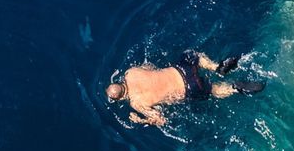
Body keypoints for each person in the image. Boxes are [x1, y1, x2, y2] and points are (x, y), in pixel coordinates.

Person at [106, 51, 263, 127]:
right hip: (181, 70)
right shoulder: (131, 72)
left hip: (188, 88)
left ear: (119, 98)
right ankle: (216, 67)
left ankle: (234, 88)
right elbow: (150, 67)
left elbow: (161, 120)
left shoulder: (137, 103)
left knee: (213, 90)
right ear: (119, 83)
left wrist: (140, 120)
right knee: (192, 55)